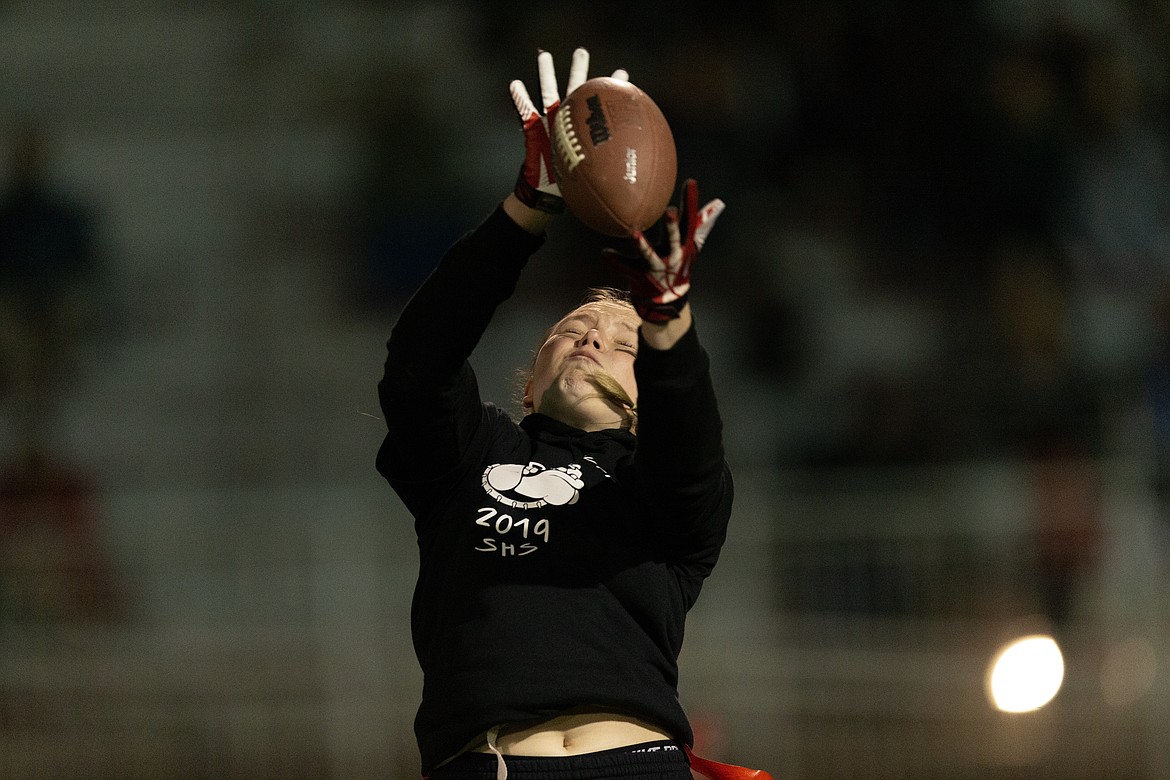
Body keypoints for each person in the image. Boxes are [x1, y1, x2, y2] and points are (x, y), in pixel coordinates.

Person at [377, 48, 768, 780]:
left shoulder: (659, 490)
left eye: (624, 343)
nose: (593, 334)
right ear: (529, 385)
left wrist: (669, 330)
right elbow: (417, 367)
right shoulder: (476, 454)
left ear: (649, 396)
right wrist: (525, 211)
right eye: (573, 327)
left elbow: (690, 453)